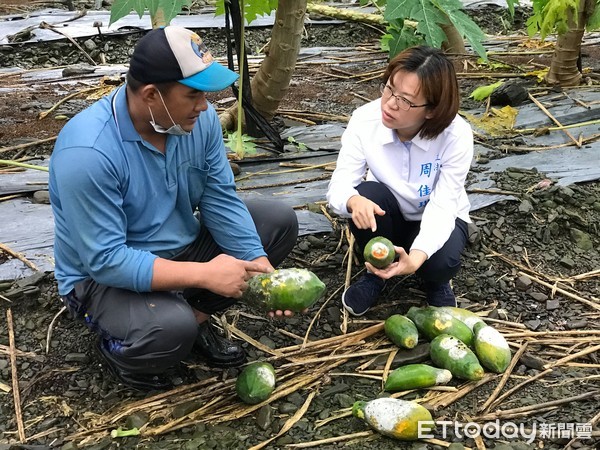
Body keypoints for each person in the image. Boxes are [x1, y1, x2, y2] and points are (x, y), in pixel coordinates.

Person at [48, 26, 299, 391]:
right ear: (151, 95)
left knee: (277, 221)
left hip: (180, 248)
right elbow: (105, 260)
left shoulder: (198, 122)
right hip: (100, 278)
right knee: (168, 330)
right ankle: (122, 351)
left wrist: (260, 267)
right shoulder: (88, 154)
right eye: (194, 94)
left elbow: (219, 197)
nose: (205, 105)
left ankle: (193, 319)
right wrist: (203, 275)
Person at [326, 46, 473, 317]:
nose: (390, 103)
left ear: (431, 110)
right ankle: (377, 274)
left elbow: (443, 206)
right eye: (389, 88)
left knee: (440, 264)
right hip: (389, 213)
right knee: (366, 193)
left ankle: (434, 281)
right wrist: (353, 200)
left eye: (405, 100)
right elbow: (340, 184)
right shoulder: (365, 120)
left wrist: (416, 258)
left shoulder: (456, 136)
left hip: (436, 214)